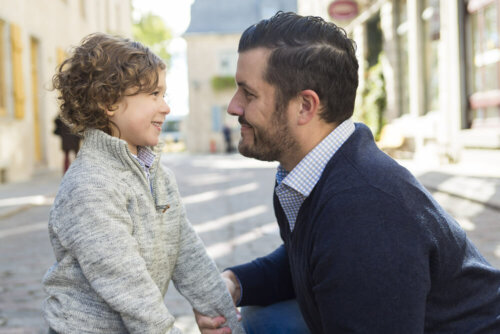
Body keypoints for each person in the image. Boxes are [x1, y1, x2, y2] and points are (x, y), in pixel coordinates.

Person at [195, 11, 500, 334]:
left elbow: (342, 248)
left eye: (249, 93)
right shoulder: (309, 172)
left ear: (305, 106)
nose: (233, 106)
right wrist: (236, 283)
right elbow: (312, 258)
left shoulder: (363, 213)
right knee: (258, 320)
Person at [42, 33, 244, 334]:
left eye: (164, 95)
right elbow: (126, 284)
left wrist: (222, 314)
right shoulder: (89, 185)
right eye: (153, 94)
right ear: (108, 102)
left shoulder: (157, 174)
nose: (165, 107)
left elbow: (186, 251)